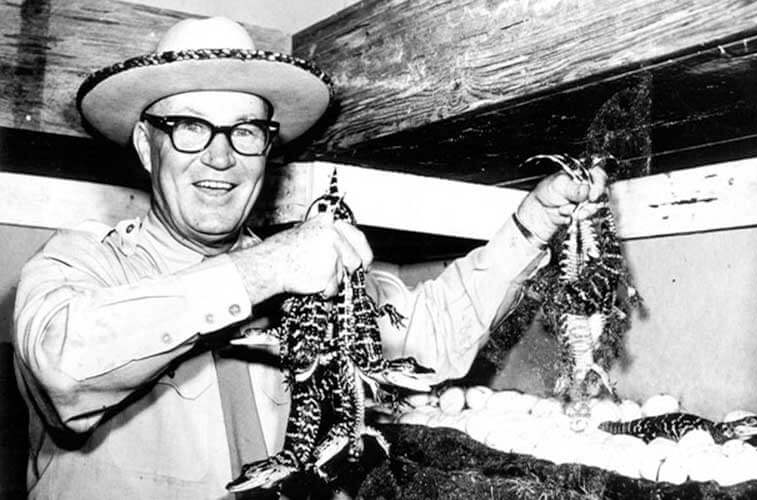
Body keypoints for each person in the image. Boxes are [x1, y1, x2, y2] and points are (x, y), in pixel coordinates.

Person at [12, 16, 607, 500]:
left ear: (267, 148)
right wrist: (266, 269)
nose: (221, 158)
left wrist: (535, 224)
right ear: (147, 144)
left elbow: (433, 328)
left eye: (246, 131)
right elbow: (63, 368)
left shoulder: (315, 274)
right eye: (191, 128)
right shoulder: (80, 263)